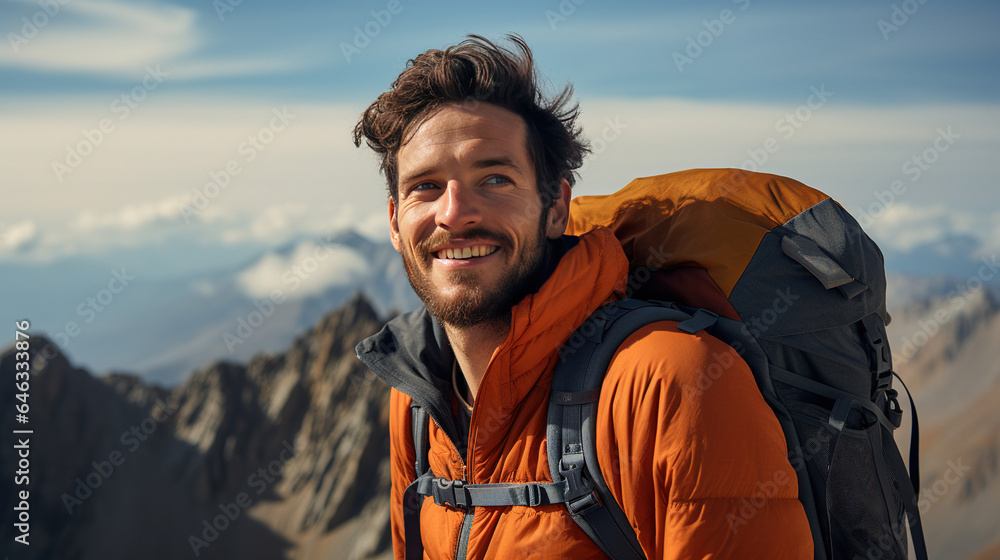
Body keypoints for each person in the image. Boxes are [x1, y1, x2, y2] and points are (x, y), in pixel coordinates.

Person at [354, 34, 812, 559]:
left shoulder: (673, 383)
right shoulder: (417, 400)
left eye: (496, 179)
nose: (455, 214)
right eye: (425, 187)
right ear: (395, 221)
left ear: (555, 207)